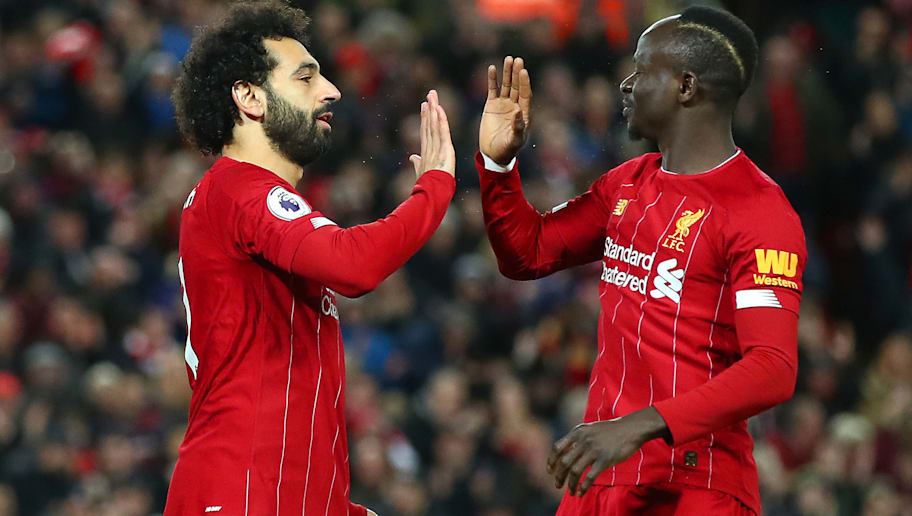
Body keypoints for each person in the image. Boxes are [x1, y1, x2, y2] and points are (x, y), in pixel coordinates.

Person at [477, 6, 805, 515]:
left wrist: (638, 425)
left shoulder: (760, 212)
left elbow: (773, 368)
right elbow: (528, 252)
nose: (625, 85)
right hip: (603, 476)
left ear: (686, 86)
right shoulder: (626, 184)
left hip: (695, 487)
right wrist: (500, 165)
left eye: (642, 69)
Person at [165, 2, 455, 515]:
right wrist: (433, 189)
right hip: (243, 495)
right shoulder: (241, 190)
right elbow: (354, 267)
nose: (331, 91)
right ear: (249, 97)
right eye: (305, 77)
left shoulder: (240, 199)